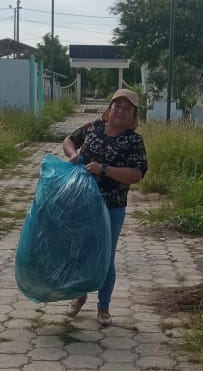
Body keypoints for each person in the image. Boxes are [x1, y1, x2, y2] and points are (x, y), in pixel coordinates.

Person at [62, 88, 148, 327]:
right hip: (82, 201)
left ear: (134, 116)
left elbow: (137, 174)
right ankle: (80, 294)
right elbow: (68, 141)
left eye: (127, 108)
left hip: (112, 206)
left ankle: (103, 307)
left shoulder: (134, 141)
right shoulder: (93, 128)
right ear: (109, 109)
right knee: (80, 251)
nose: (121, 111)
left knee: (105, 255)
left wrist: (105, 169)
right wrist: (73, 155)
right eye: (117, 105)